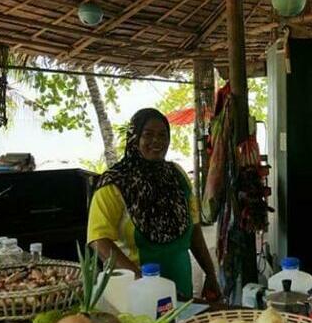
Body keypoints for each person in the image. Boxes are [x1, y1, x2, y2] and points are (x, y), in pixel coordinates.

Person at [87, 108, 221, 301]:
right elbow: (99, 240)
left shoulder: (176, 175)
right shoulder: (115, 183)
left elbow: (194, 228)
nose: (156, 141)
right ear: (134, 138)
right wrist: (143, 282)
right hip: (137, 293)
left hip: (181, 288)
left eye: (162, 135)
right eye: (148, 135)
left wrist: (210, 273)